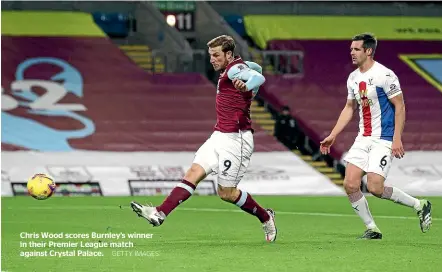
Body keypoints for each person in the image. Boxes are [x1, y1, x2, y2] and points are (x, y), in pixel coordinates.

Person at [130, 35, 277, 242]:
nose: (212, 59)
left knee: (226, 193)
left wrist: (248, 85)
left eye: (216, 55)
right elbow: (257, 70)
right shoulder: (236, 66)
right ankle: (160, 213)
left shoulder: (235, 69)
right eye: (210, 55)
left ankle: (266, 217)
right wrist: (250, 81)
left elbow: (259, 78)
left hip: (237, 140)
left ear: (228, 54)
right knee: (194, 172)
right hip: (219, 135)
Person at [319, 33, 432, 239]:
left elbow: (400, 106)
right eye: (351, 49)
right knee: (350, 184)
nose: (351, 52)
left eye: (356, 49)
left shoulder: (385, 75)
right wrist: (333, 135)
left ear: (368, 51)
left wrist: (397, 138)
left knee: (375, 188)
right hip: (363, 138)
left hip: (383, 138)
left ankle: (420, 204)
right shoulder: (353, 78)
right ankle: (372, 228)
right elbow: (349, 107)